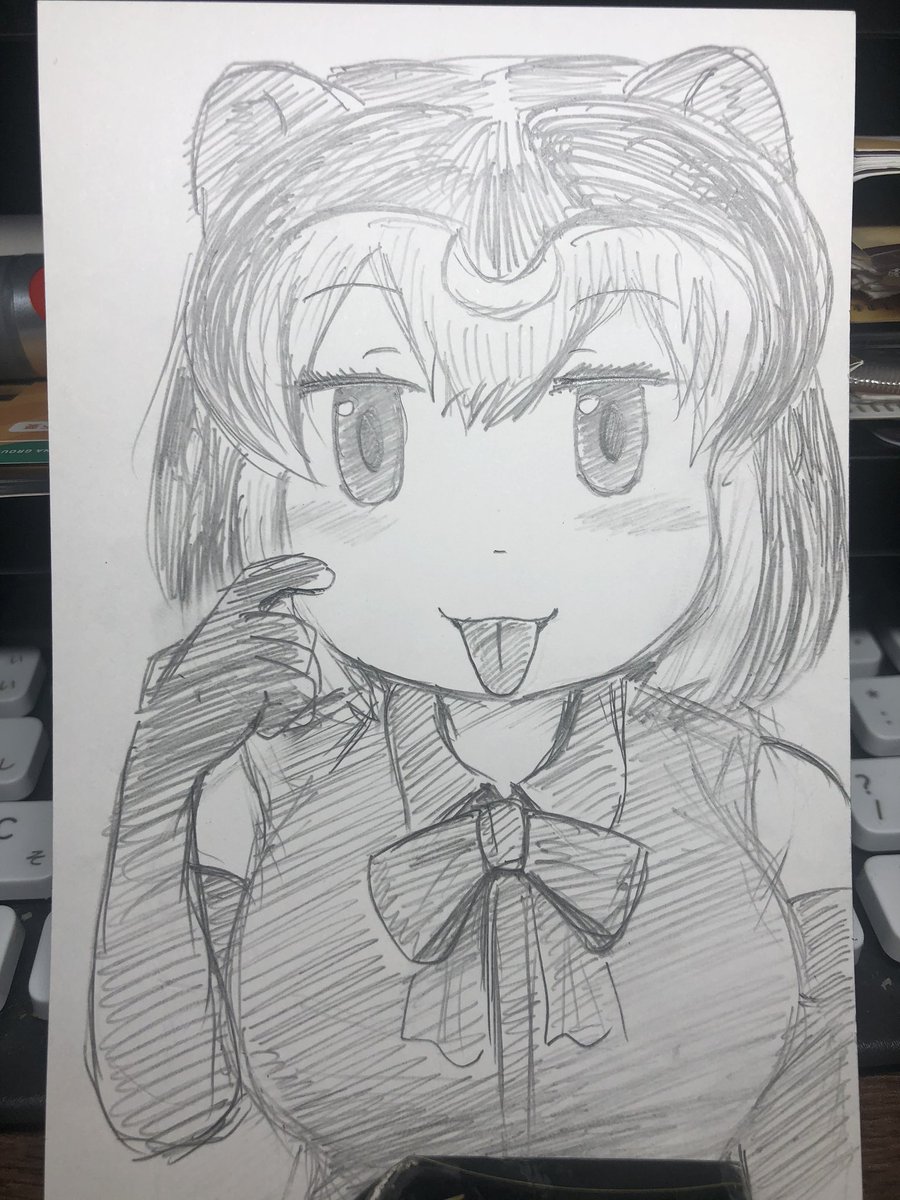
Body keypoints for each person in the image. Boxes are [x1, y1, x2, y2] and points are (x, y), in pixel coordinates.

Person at [87, 49, 854, 1200]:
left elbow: (815, 1142)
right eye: (369, 434)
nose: (496, 549)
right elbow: (162, 1116)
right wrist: (158, 787)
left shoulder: (764, 795)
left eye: (608, 431)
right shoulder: (263, 792)